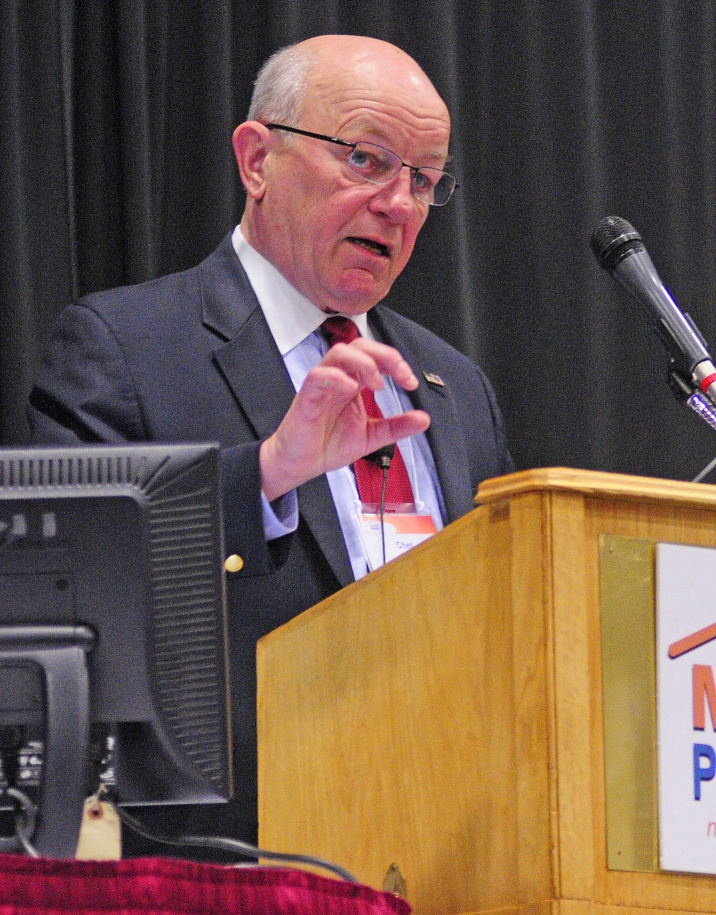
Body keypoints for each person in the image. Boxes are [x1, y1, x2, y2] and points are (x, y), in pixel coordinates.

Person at [28, 34, 514, 856]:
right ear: (257, 160)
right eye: (366, 159)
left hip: (436, 856)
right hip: (224, 865)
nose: (399, 202)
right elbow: (64, 595)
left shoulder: (453, 386)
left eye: (424, 179)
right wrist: (266, 475)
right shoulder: (125, 344)